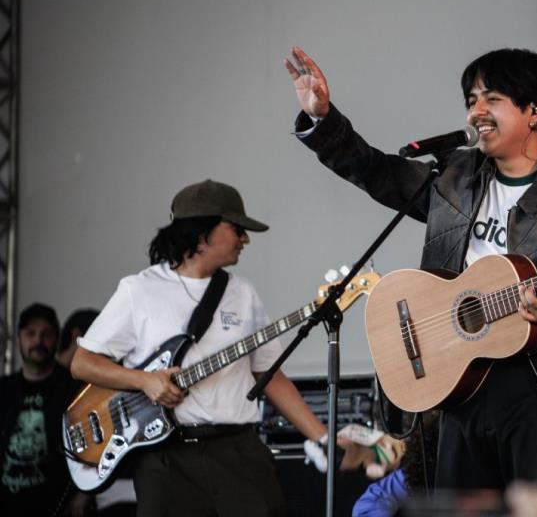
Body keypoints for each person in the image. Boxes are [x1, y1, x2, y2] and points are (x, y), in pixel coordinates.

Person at [285, 46, 537, 509]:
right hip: (458, 380)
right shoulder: (454, 177)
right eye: (471, 99)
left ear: (535, 111)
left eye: (491, 98)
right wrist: (323, 118)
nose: (477, 111)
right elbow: (376, 171)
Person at [70, 179, 370, 516]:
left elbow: (269, 374)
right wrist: (144, 381)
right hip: (166, 459)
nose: (245, 238)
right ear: (202, 233)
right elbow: (83, 363)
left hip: (238, 451)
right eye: (237, 228)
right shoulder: (139, 290)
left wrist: (324, 439)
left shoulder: (243, 294)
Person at [1, 303, 94, 516]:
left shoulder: (75, 390)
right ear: (18, 340)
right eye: (30, 333)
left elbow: (96, 446)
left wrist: (84, 495)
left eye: (46, 334)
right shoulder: (4, 389)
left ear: (57, 338)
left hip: (59, 504)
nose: (38, 341)